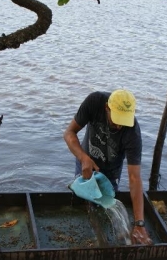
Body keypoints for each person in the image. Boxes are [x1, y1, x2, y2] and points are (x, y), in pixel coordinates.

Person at [63, 89, 152, 245]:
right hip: (86, 162)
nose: (119, 126)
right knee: (82, 202)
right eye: (116, 119)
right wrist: (84, 158)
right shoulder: (94, 102)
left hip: (110, 173)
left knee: (105, 210)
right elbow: (69, 133)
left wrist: (139, 223)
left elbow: (134, 177)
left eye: (123, 121)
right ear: (107, 108)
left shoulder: (132, 132)